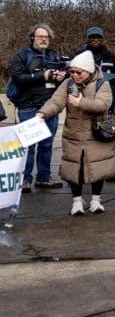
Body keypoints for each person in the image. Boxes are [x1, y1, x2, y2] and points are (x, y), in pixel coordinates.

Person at [35, 51, 115, 215]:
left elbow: (103, 104)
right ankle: (77, 201)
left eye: (79, 72)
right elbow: (56, 102)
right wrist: (43, 113)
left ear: (89, 70)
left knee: (98, 168)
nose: (74, 75)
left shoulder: (102, 83)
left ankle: (96, 200)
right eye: (72, 71)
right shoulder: (67, 83)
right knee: (74, 169)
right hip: (74, 135)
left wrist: (81, 102)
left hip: (97, 134)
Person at [8, 23, 67, 192]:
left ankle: (44, 178)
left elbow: (63, 80)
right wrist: (43, 75)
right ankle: (25, 180)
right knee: (28, 146)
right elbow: (18, 77)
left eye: (46, 37)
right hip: (28, 107)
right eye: (40, 36)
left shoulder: (53, 57)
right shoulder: (21, 56)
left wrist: (61, 77)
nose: (44, 39)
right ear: (32, 37)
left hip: (49, 107)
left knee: (46, 145)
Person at [74, 26, 115, 183]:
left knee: (108, 137)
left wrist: (108, 83)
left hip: (106, 104)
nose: (95, 40)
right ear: (88, 38)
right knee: (83, 140)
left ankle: (110, 172)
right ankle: (81, 173)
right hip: (84, 104)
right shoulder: (79, 55)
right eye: (92, 37)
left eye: (98, 37)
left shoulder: (109, 56)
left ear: (102, 38)